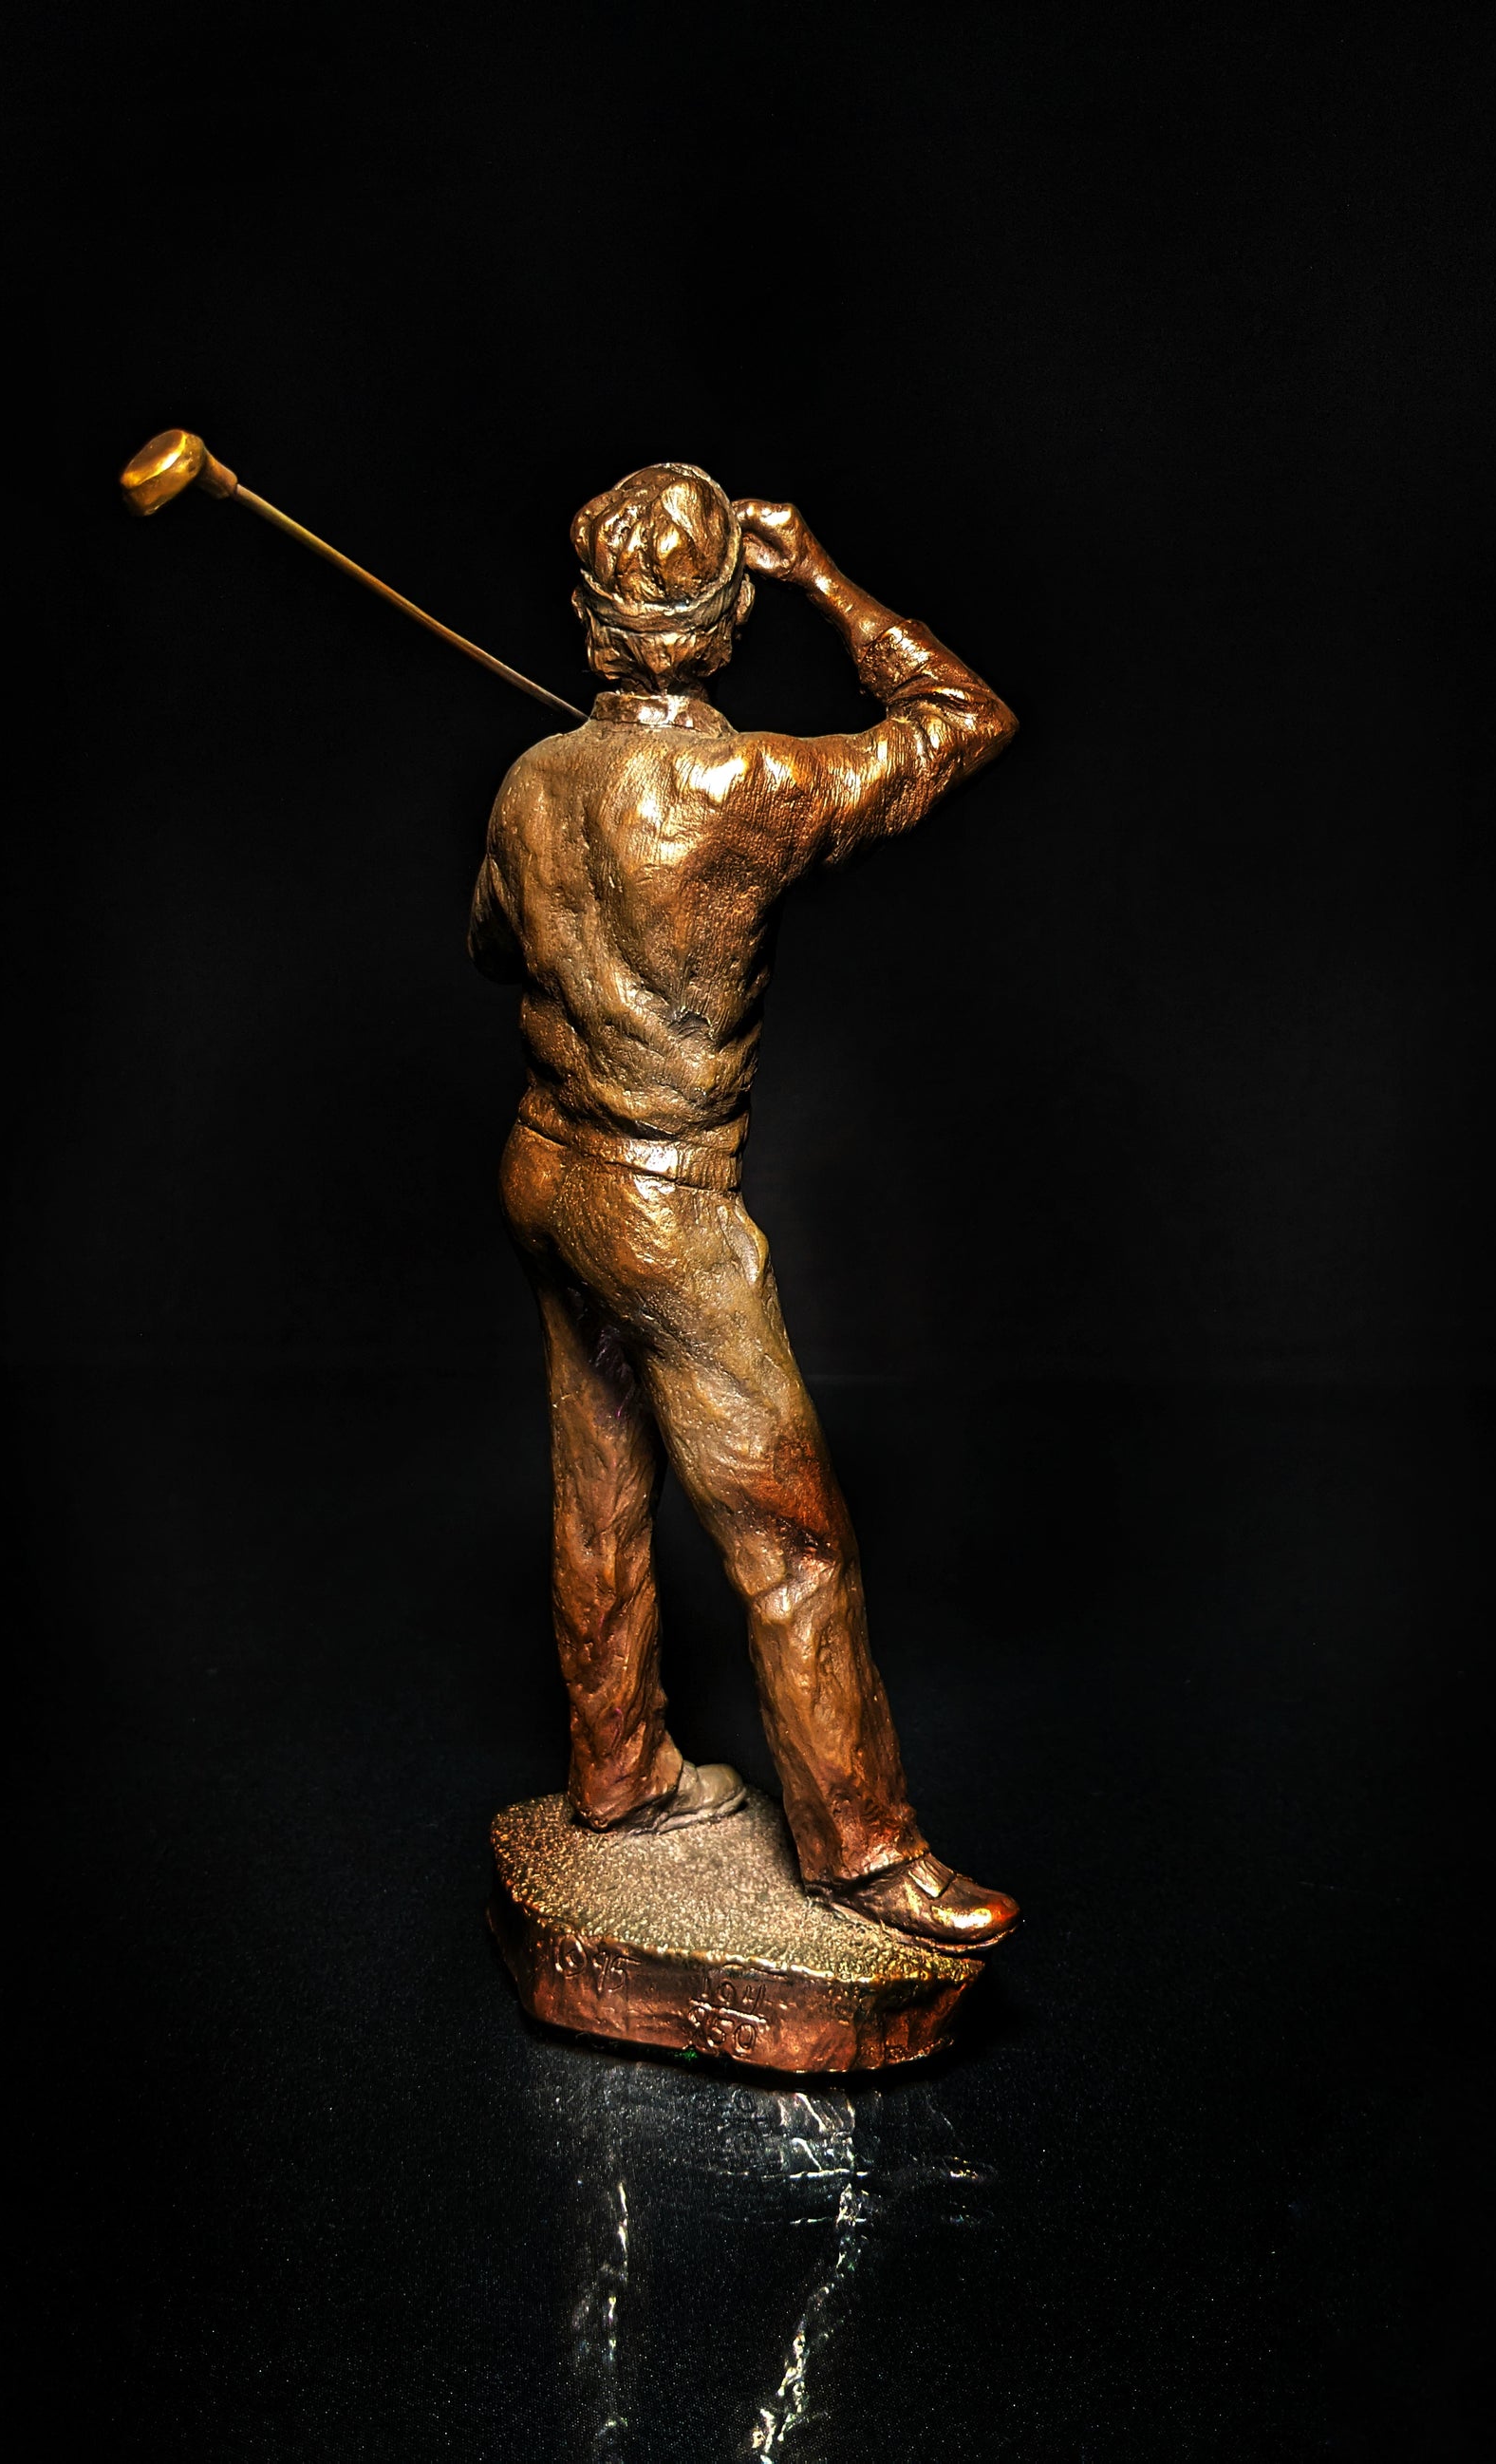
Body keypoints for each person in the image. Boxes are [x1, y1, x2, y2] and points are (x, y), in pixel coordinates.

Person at [468, 463, 1019, 1950]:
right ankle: (864, 1854)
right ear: (717, 632)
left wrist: (577, 846)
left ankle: (616, 1773)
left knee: (599, 1488)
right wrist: (819, 574)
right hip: (660, 1209)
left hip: (542, 1169)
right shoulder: (751, 789)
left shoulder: (527, 782)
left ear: (587, 619)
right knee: (793, 1546)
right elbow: (965, 718)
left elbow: (491, 946)